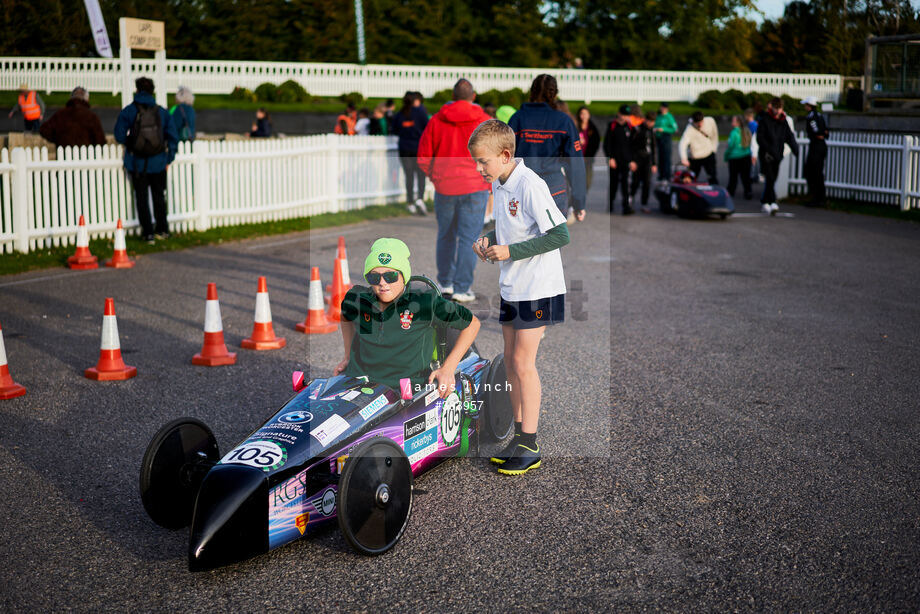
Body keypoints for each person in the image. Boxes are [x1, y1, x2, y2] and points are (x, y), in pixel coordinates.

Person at [468, 119, 570, 476]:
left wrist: (509, 252)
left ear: (506, 155)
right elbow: (508, 226)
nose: (479, 169)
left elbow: (559, 235)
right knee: (510, 361)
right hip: (514, 287)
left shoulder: (530, 184)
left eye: (483, 162)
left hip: (538, 288)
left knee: (524, 364)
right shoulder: (500, 183)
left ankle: (531, 442)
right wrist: (487, 237)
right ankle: (519, 437)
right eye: (476, 162)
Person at [334, 237, 481, 399]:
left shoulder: (425, 302)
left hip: (405, 388)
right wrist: (347, 356)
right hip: (359, 382)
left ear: (404, 276)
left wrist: (448, 368)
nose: (382, 283)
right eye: (374, 277)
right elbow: (345, 315)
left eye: (390, 276)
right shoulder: (356, 298)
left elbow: (472, 324)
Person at [417, 79, 492, 303]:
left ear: (452, 95)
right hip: (474, 185)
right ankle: (462, 287)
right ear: (474, 96)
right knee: (470, 239)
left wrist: (436, 177)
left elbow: (423, 156)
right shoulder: (485, 122)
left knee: (446, 236)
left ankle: (446, 283)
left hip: (446, 186)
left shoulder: (437, 121)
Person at [508, 74, 586, 222]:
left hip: (521, 188)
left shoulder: (517, 119)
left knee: (520, 241)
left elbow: (504, 157)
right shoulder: (564, 121)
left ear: (531, 92)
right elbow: (575, 165)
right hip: (553, 189)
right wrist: (579, 203)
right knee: (552, 242)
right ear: (555, 94)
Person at [114, 77, 179, 244]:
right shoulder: (161, 112)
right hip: (158, 162)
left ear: (137, 90)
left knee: (141, 198)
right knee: (159, 197)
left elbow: (119, 135)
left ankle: (148, 233)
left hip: (137, 163)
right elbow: (173, 137)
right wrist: (168, 158)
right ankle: (162, 230)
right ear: (153, 91)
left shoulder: (129, 111)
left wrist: (131, 143)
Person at [756, 97, 799, 215]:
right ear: (772, 108)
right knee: (769, 177)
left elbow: (789, 136)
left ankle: (765, 200)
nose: (778, 111)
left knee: (773, 178)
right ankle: (771, 202)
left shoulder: (783, 121)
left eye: (780, 108)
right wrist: (768, 150)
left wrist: (796, 149)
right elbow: (760, 138)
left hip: (778, 154)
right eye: (776, 108)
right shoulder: (765, 119)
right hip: (767, 155)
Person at [393, 91, 430, 215]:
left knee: (408, 176)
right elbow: (428, 127)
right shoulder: (420, 112)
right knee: (420, 175)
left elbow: (394, 129)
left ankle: (410, 202)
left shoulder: (400, 114)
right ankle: (419, 198)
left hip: (404, 148)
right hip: (418, 148)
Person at [39, 87, 105, 148]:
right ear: (87, 99)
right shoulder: (91, 117)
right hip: (86, 156)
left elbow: (44, 130)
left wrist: (58, 139)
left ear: (71, 98)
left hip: (63, 154)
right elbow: (101, 140)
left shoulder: (60, 114)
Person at [603, 105, 634, 214]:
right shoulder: (612, 126)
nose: (625, 117)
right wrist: (610, 158)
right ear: (619, 113)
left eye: (627, 115)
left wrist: (632, 160)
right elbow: (607, 144)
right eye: (623, 114)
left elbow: (633, 145)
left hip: (626, 161)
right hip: (614, 161)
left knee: (626, 184)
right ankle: (610, 205)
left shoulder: (630, 127)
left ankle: (626, 206)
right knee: (614, 184)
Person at [801, 96, 829, 207]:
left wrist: (818, 135)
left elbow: (818, 131)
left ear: (809, 106)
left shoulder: (811, 117)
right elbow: (826, 131)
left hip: (816, 147)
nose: (804, 107)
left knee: (813, 172)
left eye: (806, 105)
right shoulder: (820, 116)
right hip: (820, 146)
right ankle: (819, 197)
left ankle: (817, 198)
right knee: (816, 172)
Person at [679, 111, 719, 184]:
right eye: (698, 123)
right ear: (693, 122)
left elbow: (715, 135)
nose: (700, 124)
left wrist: (714, 149)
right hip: (695, 157)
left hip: (708, 154)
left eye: (701, 122)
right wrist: (684, 158)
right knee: (691, 178)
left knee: (712, 177)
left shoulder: (710, 121)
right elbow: (682, 144)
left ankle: (715, 193)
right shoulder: (689, 129)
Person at [630, 111, 658, 213]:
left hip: (648, 159)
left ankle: (644, 203)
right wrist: (632, 160)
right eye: (649, 121)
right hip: (637, 158)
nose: (651, 124)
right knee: (636, 181)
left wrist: (654, 163)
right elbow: (631, 146)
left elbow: (654, 147)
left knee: (647, 182)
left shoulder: (652, 131)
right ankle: (630, 198)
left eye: (653, 122)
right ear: (645, 120)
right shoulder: (637, 129)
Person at [724, 115, 753, 200]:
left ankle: (730, 192)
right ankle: (748, 192)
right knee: (746, 177)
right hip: (746, 157)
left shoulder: (733, 133)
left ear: (737, 123)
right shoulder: (747, 131)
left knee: (733, 177)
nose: (732, 122)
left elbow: (730, 146)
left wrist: (726, 156)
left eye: (733, 121)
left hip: (734, 158)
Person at [575, 106, 600, 193]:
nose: (583, 116)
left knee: (587, 183)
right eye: (582, 114)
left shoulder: (592, 128)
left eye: (585, 114)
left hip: (588, 160)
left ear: (589, 115)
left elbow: (596, 143)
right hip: (576, 160)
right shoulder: (575, 127)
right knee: (576, 183)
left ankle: (580, 201)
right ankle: (574, 204)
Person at [653, 102, 678, 180]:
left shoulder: (669, 117)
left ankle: (667, 175)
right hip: (658, 138)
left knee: (666, 157)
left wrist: (664, 129)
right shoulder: (659, 116)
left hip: (666, 137)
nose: (663, 109)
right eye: (662, 107)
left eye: (665, 108)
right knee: (660, 157)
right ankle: (661, 175)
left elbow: (674, 128)